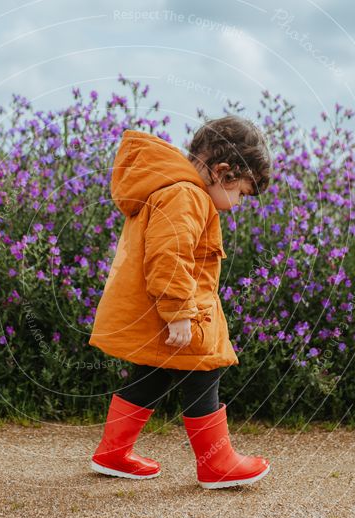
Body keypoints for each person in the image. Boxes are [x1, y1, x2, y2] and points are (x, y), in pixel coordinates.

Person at [88, 115, 273, 489]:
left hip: (168, 311)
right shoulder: (185, 195)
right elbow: (169, 255)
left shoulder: (180, 191)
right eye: (241, 193)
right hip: (178, 312)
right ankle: (216, 463)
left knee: (152, 376)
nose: (237, 203)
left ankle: (113, 453)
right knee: (206, 371)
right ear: (223, 172)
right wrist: (178, 313)